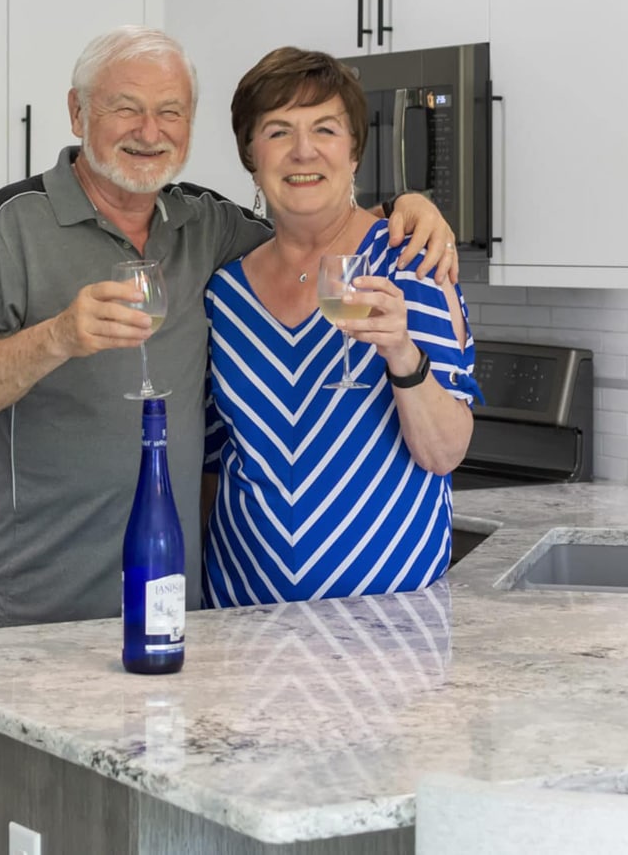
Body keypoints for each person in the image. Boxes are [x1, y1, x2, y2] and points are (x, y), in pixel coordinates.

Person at [0, 26, 458, 629]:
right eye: (125, 108)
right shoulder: (6, 224)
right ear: (78, 113)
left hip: (179, 611)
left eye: (169, 112)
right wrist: (59, 338)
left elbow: (312, 224)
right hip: (37, 605)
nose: (149, 132)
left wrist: (406, 208)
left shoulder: (207, 226)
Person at [202, 47, 480, 608]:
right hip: (238, 623)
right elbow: (211, 463)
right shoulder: (222, 294)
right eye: (278, 131)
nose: (304, 150)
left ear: (353, 151)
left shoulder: (412, 262)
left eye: (325, 129)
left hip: (389, 628)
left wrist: (402, 354)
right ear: (250, 155)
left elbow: (444, 454)